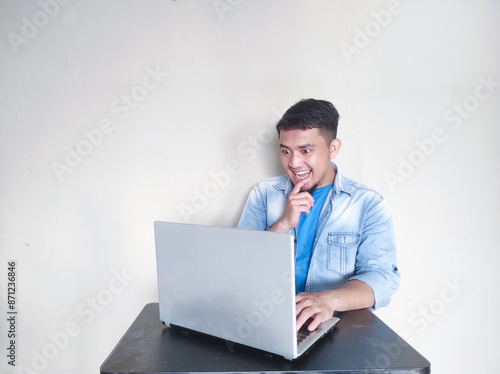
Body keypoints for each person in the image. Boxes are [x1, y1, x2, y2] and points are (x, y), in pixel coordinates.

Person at [237, 98, 400, 332]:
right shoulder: (264, 194)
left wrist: (329, 300)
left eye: (305, 150)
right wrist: (282, 224)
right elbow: (239, 264)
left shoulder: (368, 204)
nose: (293, 162)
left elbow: (382, 278)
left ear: (333, 148)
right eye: (286, 151)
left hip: (335, 330)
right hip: (264, 323)